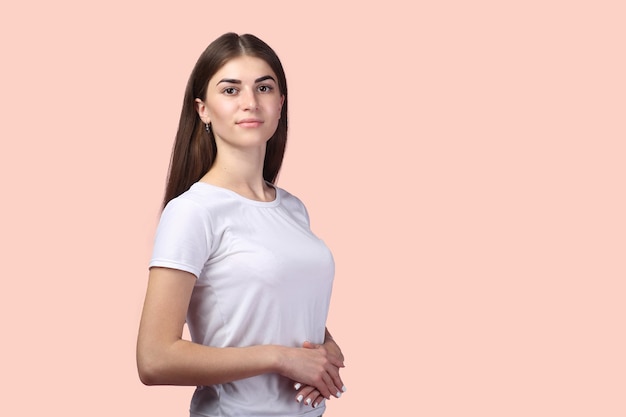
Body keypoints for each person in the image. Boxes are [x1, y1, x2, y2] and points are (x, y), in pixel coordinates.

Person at [136, 32, 346, 417]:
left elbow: (275, 301)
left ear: (280, 104)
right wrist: (279, 359)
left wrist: (327, 346)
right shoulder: (193, 211)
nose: (250, 102)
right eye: (230, 90)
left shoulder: (293, 209)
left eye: (263, 87)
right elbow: (154, 358)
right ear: (203, 109)